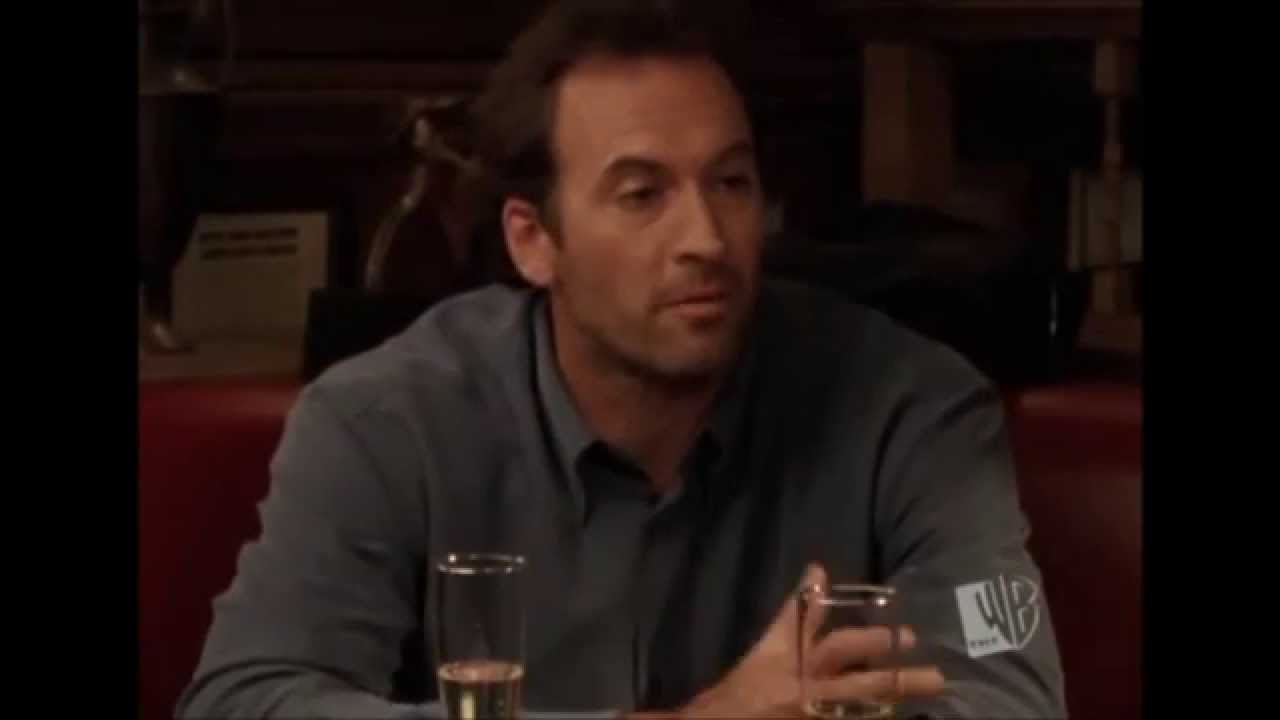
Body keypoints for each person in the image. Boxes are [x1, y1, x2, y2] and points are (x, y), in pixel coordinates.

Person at [177, 1, 1066, 718]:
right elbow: (245, 700)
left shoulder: (913, 410)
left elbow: (1010, 695)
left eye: (731, 183)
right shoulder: (385, 420)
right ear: (533, 240)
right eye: (643, 195)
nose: (707, 238)